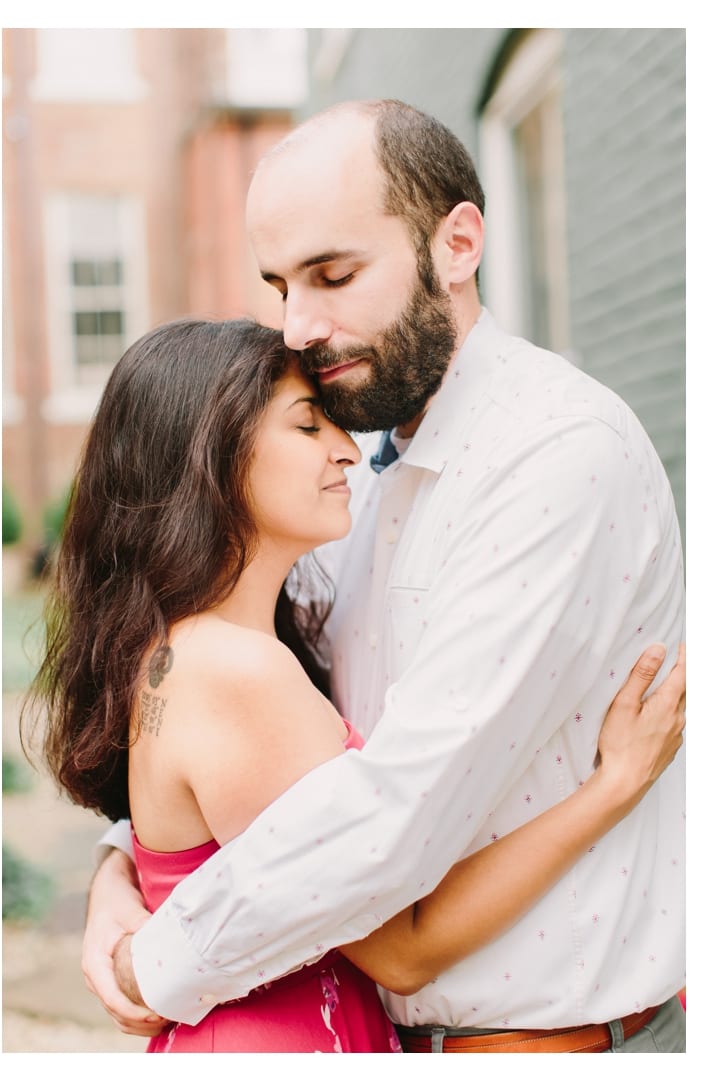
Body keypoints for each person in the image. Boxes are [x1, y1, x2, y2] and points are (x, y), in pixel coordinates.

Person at [80, 99, 687, 1052]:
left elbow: (387, 817)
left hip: (535, 1040)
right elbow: (273, 753)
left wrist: (151, 959)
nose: (299, 327)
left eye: (335, 274)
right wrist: (126, 866)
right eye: (280, 283)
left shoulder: (553, 455)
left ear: (457, 242)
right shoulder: (360, 472)